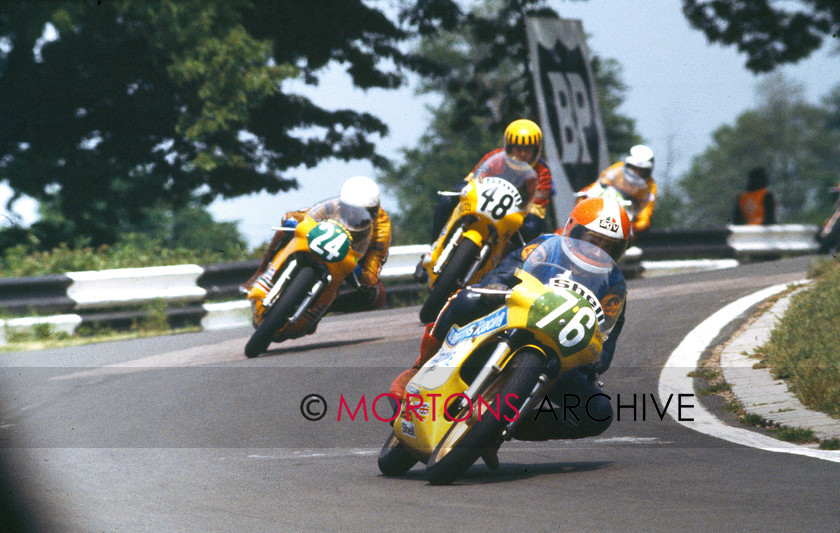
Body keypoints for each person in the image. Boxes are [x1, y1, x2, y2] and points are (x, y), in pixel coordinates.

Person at [392, 197, 630, 463]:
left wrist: (593, 360)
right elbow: (509, 266)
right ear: (572, 229)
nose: (598, 251)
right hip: (511, 323)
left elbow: (606, 342)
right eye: (591, 240)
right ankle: (417, 368)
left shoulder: (614, 286)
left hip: (559, 359)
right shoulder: (546, 247)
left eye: (609, 247)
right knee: (464, 300)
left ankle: (508, 426)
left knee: (599, 411)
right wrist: (497, 285)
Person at [243, 176, 391, 311]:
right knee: (285, 231)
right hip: (322, 241)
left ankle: (322, 308)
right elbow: (304, 215)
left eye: (366, 211)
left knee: (376, 295)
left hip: (351, 261)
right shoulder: (335, 206)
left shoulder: (381, 228)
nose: (355, 215)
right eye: (351, 208)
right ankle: (261, 271)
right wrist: (292, 219)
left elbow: (373, 269)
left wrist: (363, 275)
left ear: (376, 209)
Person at [429, 119, 554, 248]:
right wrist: (464, 188)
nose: (522, 154)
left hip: (511, 222)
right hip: (482, 206)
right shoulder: (496, 158)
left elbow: (537, 212)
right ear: (509, 147)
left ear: (536, 150)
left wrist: (527, 224)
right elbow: (472, 181)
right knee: (447, 200)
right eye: (518, 148)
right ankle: (434, 245)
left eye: (528, 149)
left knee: (533, 231)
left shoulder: (542, 173)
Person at [580, 144, 656, 234]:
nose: (637, 172)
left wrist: (634, 226)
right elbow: (598, 185)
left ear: (648, 170)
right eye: (634, 168)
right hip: (603, 208)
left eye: (642, 170)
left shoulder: (650, 187)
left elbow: (645, 217)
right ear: (627, 164)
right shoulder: (617, 169)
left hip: (625, 221)